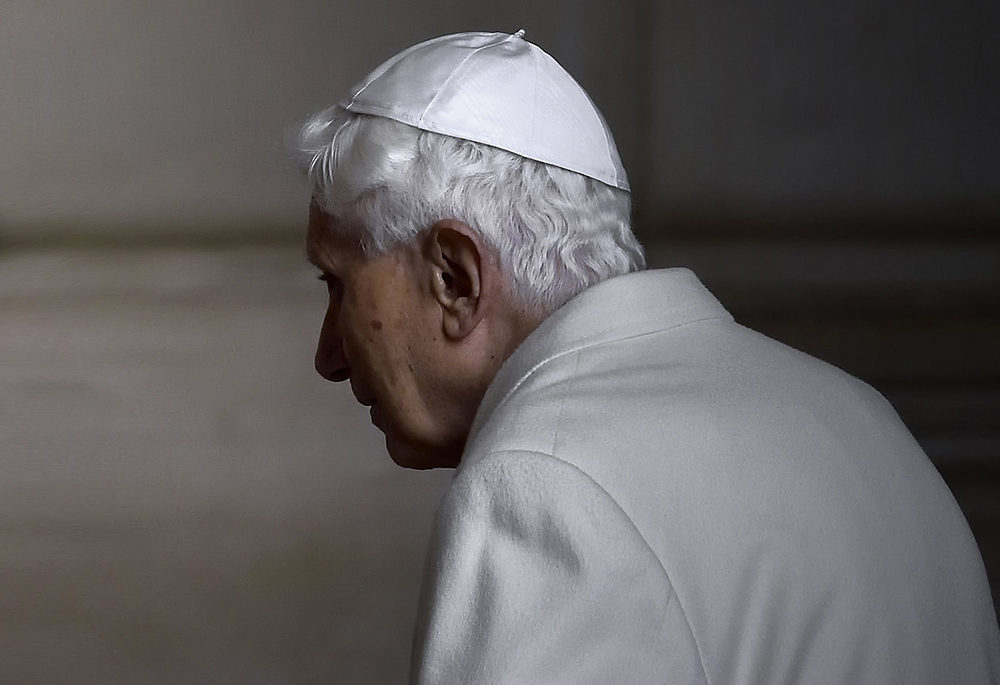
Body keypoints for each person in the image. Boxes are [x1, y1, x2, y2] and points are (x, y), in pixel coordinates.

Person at [296, 30, 1000, 684]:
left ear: (455, 277)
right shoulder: (857, 412)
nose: (329, 356)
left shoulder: (544, 479)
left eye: (339, 283)